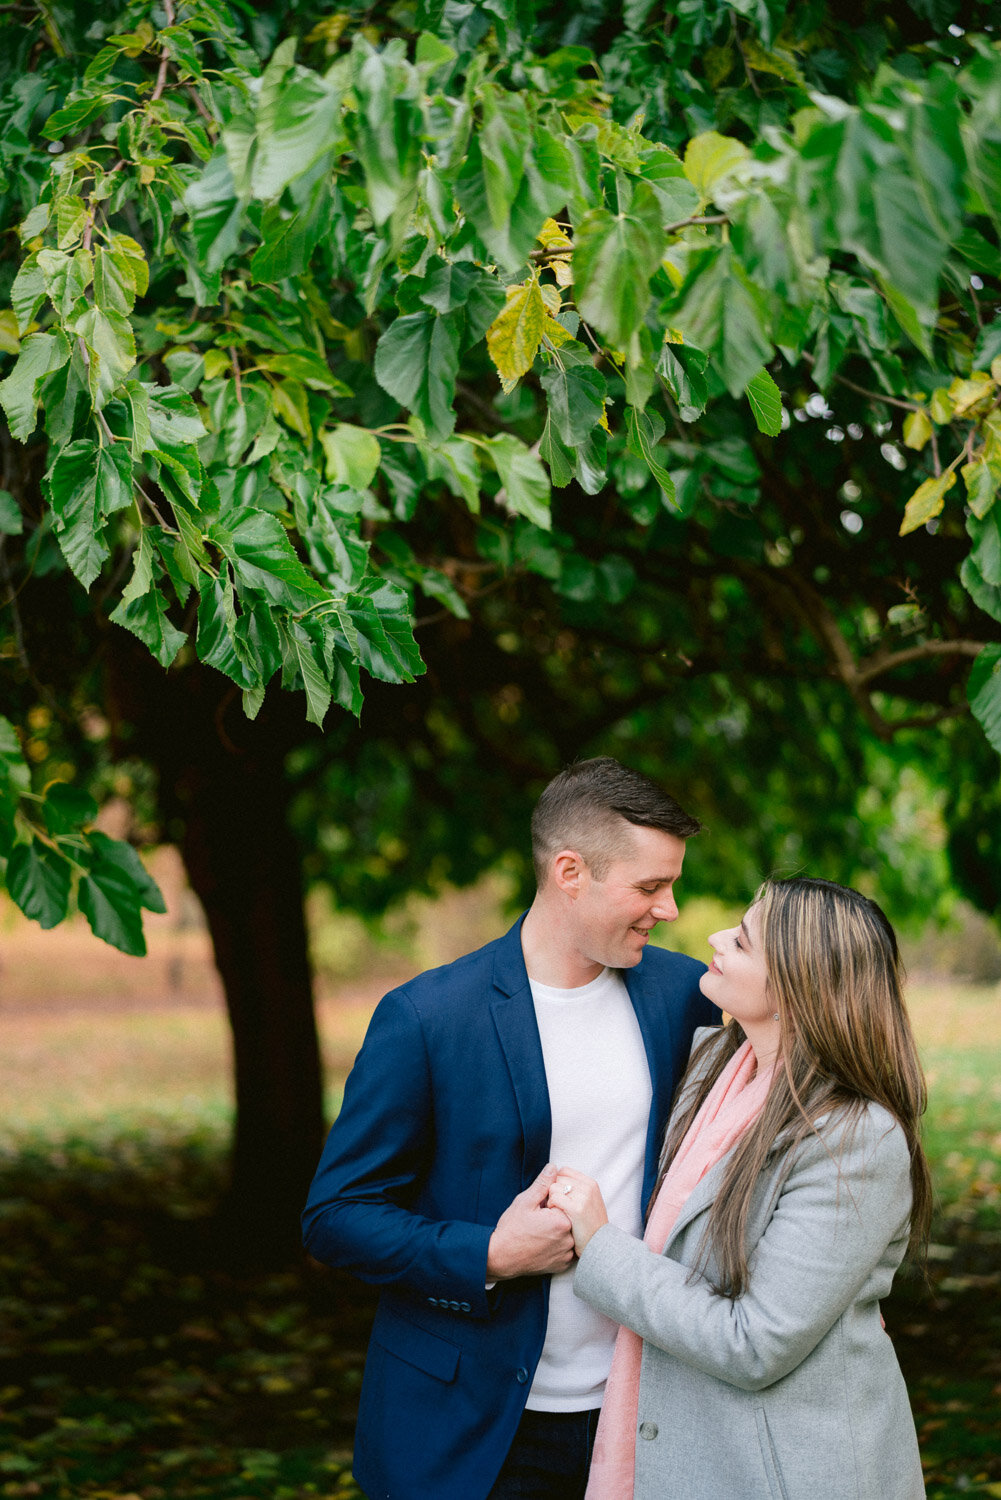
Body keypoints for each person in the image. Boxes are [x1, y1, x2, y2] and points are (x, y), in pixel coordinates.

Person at [301, 757, 721, 1500]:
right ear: (570, 872)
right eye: (651, 886)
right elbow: (335, 1217)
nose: (670, 909)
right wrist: (489, 1252)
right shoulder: (427, 1017)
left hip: (639, 1413)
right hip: (470, 1427)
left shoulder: (686, 996)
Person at [551, 876, 931, 1500]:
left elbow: (753, 1342)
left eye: (744, 941)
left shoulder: (855, 1139)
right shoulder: (716, 1066)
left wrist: (600, 1246)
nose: (716, 937)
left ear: (795, 987)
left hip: (787, 1471)